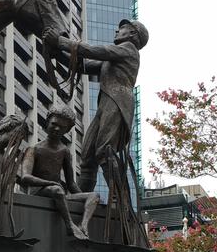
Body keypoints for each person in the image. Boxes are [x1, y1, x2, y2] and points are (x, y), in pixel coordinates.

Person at [43, 19, 148, 193]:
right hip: (107, 102)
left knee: (105, 150)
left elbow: (95, 51)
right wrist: (58, 54)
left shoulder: (128, 49)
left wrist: (60, 42)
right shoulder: (114, 57)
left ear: (132, 34)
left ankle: (119, 200)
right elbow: (84, 66)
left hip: (117, 101)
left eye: (121, 29)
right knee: (88, 156)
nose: (116, 31)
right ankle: (81, 199)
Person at [18, 105, 100, 239]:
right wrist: (49, 183)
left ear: (67, 130)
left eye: (62, 127)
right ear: (47, 122)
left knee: (94, 196)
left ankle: (83, 226)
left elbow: (71, 183)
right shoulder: (34, 149)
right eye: (54, 124)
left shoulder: (64, 151)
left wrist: (84, 198)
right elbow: (25, 177)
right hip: (40, 192)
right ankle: (70, 225)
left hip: (58, 193)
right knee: (57, 190)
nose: (56, 129)